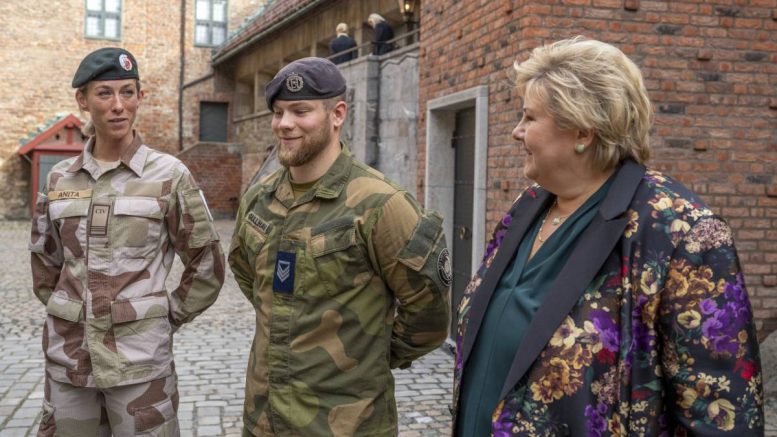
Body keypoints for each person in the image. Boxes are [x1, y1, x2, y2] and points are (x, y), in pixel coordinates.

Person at [452, 37, 764, 436]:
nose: (516, 132)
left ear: (582, 131)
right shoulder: (528, 206)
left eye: (529, 119)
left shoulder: (683, 234)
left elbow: (722, 414)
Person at [228, 57, 451, 436]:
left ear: (337, 114)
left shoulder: (381, 204)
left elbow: (428, 316)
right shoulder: (259, 199)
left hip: (347, 424)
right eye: (279, 112)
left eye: (301, 111)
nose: (284, 124)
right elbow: (250, 277)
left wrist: (367, 354)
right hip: (265, 420)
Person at [29, 47, 225, 436]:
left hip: (140, 365)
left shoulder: (169, 175)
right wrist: (72, 310)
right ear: (83, 101)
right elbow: (44, 264)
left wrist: (166, 315)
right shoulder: (60, 180)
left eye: (128, 92)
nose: (119, 106)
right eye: (105, 93)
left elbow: (206, 262)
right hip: (70, 364)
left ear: (139, 96)